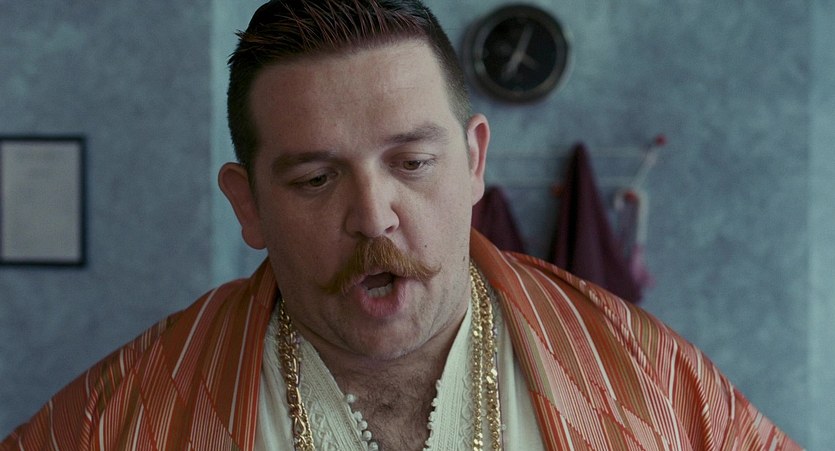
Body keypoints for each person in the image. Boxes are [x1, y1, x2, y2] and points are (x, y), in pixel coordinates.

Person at [1, 1, 801, 450]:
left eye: (412, 162)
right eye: (315, 179)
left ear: (473, 159)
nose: (373, 214)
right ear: (249, 205)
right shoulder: (117, 419)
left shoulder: (648, 375)